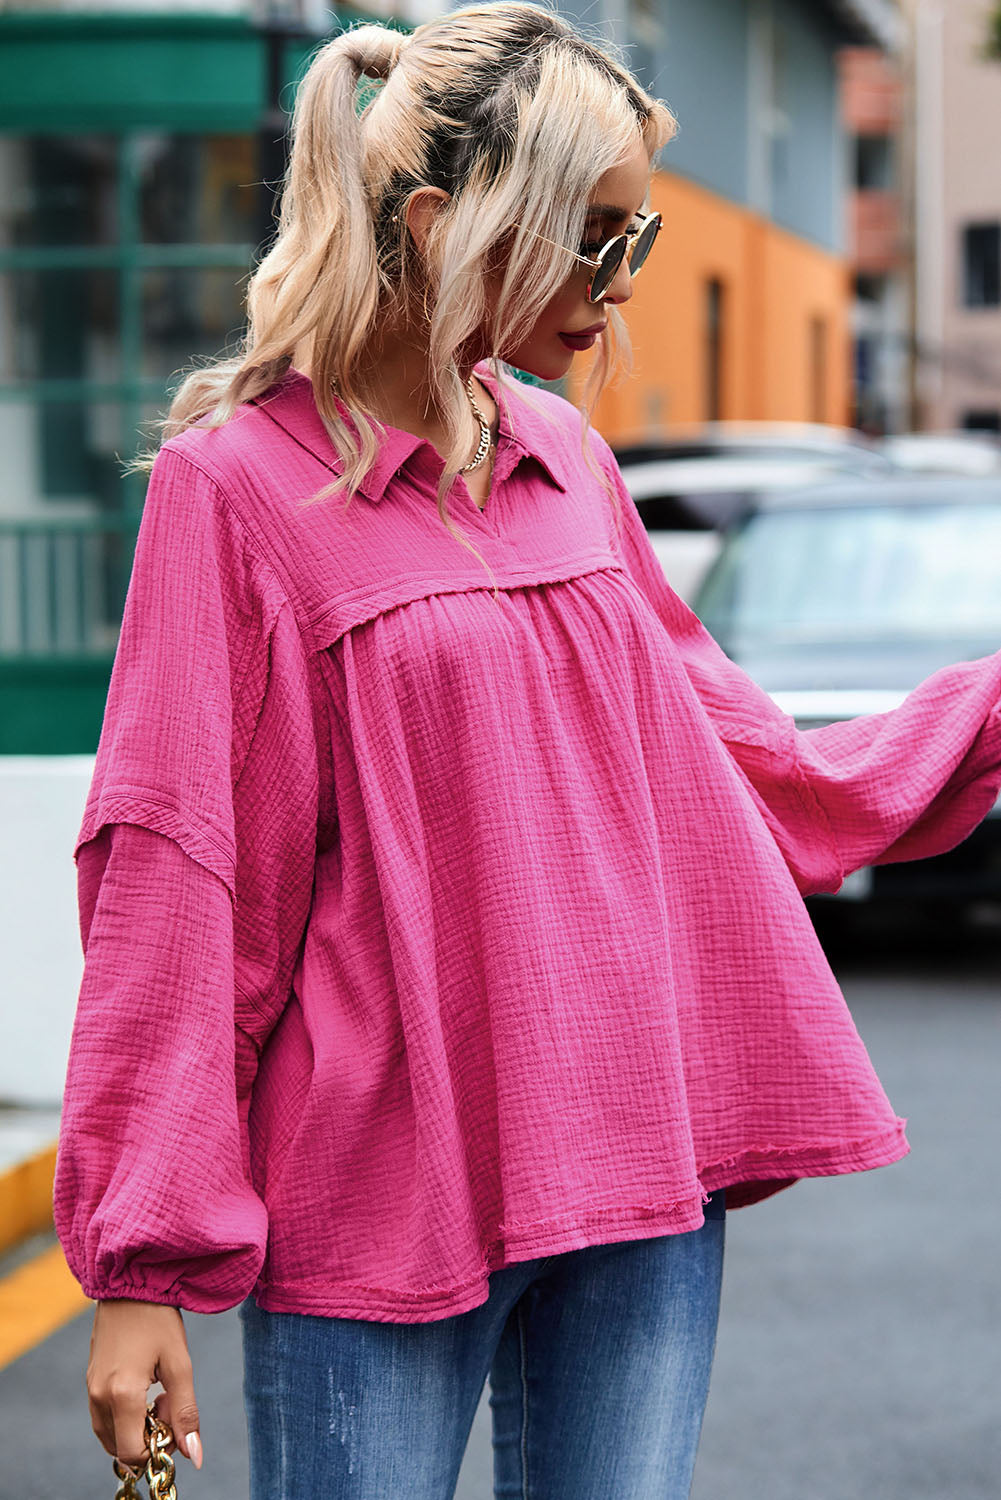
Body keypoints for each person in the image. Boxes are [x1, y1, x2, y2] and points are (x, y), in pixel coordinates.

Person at [53, 5, 1001, 1498]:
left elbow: (732, 760)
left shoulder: (565, 453)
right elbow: (179, 880)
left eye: (640, 232)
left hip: (637, 1159)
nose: (624, 281)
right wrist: (136, 1259)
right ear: (439, 222)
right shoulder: (234, 487)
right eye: (592, 235)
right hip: (376, 1193)